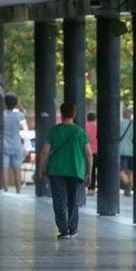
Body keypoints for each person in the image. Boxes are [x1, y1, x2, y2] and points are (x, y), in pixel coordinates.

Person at [38, 102, 92, 239]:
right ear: (74, 114)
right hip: (76, 171)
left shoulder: (54, 130)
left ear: (61, 114)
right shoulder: (80, 132)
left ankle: (63, 229)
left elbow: (45, 152)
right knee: (73, 200)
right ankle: (73, 229)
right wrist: (89, 172)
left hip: (57, 171)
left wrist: (41, 168)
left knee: (59, 200)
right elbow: (89, 154)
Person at [2, 94, 27, 194]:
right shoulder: (17, 115)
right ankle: (18, 191)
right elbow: (24, 112)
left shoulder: (2, 114)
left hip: (4, 145)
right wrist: (18, 103)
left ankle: (6, 190)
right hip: (16, 146)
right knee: (17, 170)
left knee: (5, 170)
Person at [119, 111, 133, 197]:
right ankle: (128, 191)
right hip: (132, 150)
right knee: (130, 172)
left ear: (123, 115)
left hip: (122, 150)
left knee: (120, 171)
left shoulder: (120, 123)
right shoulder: (133, 124)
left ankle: (127, 184)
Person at [86, 111, 98, 196]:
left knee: (91, 170)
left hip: (89, 151)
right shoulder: (98, 125)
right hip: (99, 151)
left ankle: (91, 189)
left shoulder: (85, 126)